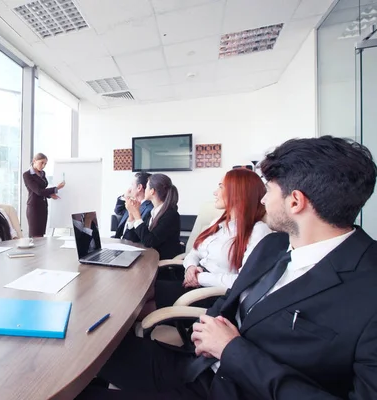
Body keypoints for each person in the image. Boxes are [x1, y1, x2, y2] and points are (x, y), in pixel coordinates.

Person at [78, 135, 377, 400]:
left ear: (295, 202)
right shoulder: (274, 246)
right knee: (89, 348)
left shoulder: (367, 290)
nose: (262, 199)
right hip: (196, 366)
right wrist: (208, 327)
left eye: (269, 191)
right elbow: (230, 299)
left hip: (233, 387)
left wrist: (232, 351)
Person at [155, 168, 272, 309]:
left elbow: (244, 281)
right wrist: (191, 267)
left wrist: (200, 277)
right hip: (194, 281)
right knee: (143, 289)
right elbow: (194, 252)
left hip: (214, 295)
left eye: (221, 187)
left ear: (238, 192)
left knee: (141, 302)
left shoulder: (258, 231)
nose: (215, 193)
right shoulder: (218, 222)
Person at [123, 173, 181, 260]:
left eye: (146, 187)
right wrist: (132, 215)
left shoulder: (171, 215)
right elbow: (130, 240)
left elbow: (150, 242)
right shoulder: (153, 212)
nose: (144, 190)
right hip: (148, 259)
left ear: (152, 191)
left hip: (160, 264)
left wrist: (137, 215)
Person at [22, 153, 65, 237]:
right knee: (35, 235)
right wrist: (56, 188)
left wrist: (50, 195)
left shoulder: (42, 173)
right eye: (42, 162)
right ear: (34, 161)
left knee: (41, 235)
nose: (43, 165)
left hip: (43, 207)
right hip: (34, 208)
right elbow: (38, 191)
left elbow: (43, 191)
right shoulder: (27, 175)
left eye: (45, 164)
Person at [113, 171, 153, 242]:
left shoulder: (150, 209)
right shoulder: (132, 203)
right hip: (119, 242)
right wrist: (124, 196)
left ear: (139, 187)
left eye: (132, 185)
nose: (130, 188)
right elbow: (118, 211)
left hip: (132, 245)